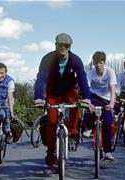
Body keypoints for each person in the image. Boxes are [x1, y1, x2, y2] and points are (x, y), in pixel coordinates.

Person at [34, 33, 91, 166]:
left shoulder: (75, 60)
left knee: (75, 102)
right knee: (52, 121)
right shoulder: (47, 59)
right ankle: (50, 151)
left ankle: (72, 131)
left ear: (69, 47)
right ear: (56, 45)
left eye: (66, 46)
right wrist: (38, 97)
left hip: (69, 90)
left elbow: (82, 79)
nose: (63, 48)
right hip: (53, 92)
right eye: (60, 45)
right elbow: (41, 78)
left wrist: (87, 98)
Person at [84, 51, 116, 160]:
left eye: (101, 63)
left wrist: (111, 103)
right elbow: (86, 89)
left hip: (106, 99)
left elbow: (112, 89)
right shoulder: (90, 73)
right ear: (93, 62)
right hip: (94, 96)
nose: (98, 65)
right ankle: (88, 127)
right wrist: (89, 103)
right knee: (88, 110)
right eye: (96, 62)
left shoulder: (110, 72)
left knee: (107, 123)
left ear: (104, 63)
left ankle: (107, 152)